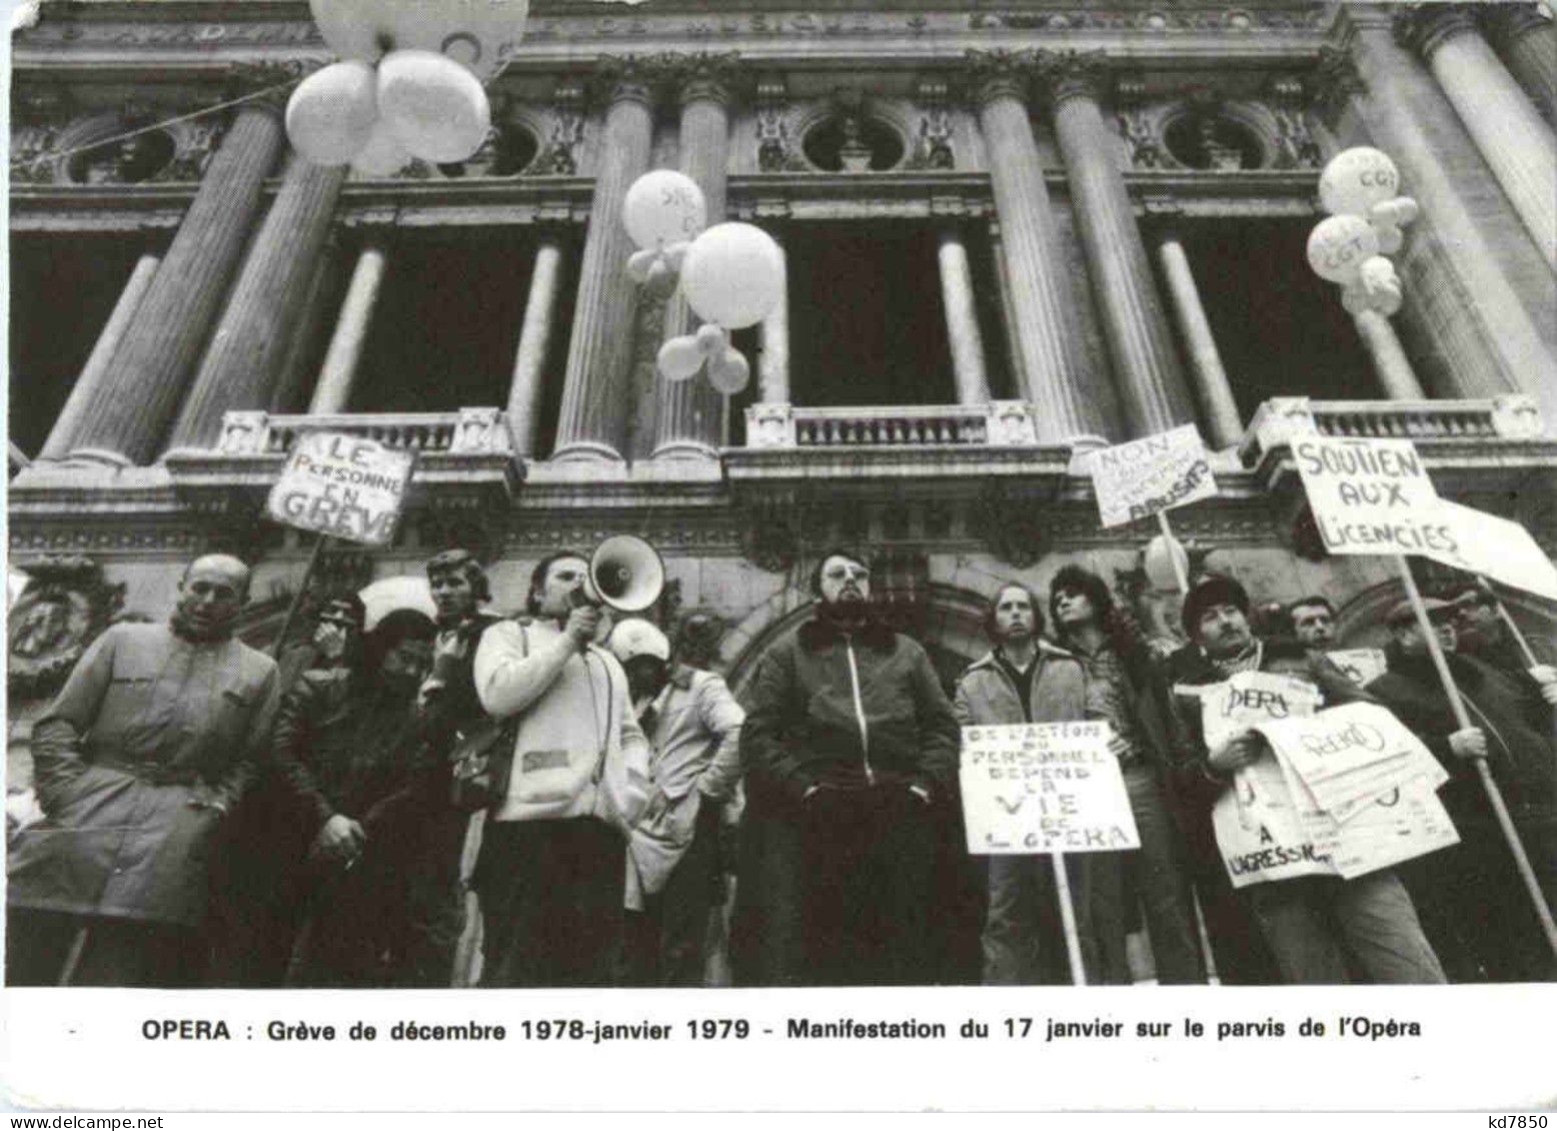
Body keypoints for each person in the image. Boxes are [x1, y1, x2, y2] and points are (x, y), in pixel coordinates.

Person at [6, 554, 280, 987]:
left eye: (223, 594)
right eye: (199, 588)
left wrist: (216, 809)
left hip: (171, 834)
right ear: (182, 587)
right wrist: (67, 792)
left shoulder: (260, 671)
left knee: (119, 971)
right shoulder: (123, 640)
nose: (207, 601)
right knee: (28, 950)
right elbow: (58, 723)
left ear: (242, 603)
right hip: (83, 815)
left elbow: (252, 760)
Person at [1165, 574, 1444, 985]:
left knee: (1399, 951)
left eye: (1231, 610)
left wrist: (1320, 731)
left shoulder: (1303, 659)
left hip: (1344, 830)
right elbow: (1182, 771)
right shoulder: (1186, 692)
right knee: (1312, 974)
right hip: (1272, 851)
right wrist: (1215, 765)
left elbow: (1369, 714)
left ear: (1247, 617)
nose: (1225, 621)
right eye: (1209, 617)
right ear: (1196, 637)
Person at [735, 549, 960, 986]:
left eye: (859, 574)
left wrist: (924, 785)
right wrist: (805, 790)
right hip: (823, 814)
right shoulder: (787, 652)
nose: (850, 581)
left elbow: (943, 726)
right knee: (829, 944)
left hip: (898, 807)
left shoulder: (907, 652)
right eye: (837, 574)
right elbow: (760, 734)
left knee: (902, 940)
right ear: (819, 588)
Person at [471, 550, 651, 987]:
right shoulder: (509, 634)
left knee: (591, 972)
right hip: (527, 829)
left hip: (599, 833)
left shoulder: (608, 662)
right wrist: (567, 640)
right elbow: (498, 695)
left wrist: (631, 794)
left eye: (583, 575)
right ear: (537, 591)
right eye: (564, 575)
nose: (577, 582)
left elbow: (630, 734)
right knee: (519, 968)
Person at [1365, 596, 1557, 982]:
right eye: (1431, 621)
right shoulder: (1386, 692)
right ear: (1404, 634)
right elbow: (1388, 762)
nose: (1447, 626)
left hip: (1542, 818)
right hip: (1483, 834)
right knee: (1518, 939)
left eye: (1449, 619)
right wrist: (1445, 749)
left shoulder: (1483, 672)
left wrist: (1549, 700)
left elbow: (1532, 725)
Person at [1048, 566, 1205, 984]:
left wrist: (1180, 767)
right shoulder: (1055, 664)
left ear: (1097, 600)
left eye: (1073, 593)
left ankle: (1186, 991)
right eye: (1057, 597)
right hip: (1086, 790)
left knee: (1165, 891)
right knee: (1104, 902)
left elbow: (1169, 720)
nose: (1062, 600)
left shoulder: (1138, 655)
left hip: (1139, 777)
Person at [272, 609, 442, 987]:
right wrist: (325, 817)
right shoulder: (319, 687)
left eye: (423, 664)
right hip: (290, 838)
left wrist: (355, 830)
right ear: (381, 650)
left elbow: (412, 787)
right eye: (406, 658)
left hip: (357, 856)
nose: (414, 672)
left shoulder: (416, 720)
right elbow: (281, 754)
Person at [951, 581, 1095, 984]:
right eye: (1005, 608)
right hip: (1006, 812)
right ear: (993, 620)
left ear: (1036, 616)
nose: (1015, 614)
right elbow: (959, 739)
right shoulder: (971, 682)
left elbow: (1097, 715)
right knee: (1006, 909)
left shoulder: (1069, 667)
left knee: (1075, 909)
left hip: (1068, 807)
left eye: (1023, 607)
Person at [609, 618, 744, 987]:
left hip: (689, 830)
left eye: (647, 667)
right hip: (636, 835)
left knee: (682, 947)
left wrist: (706, 790)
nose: (641, 676)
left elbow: (739, 731)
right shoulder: (628, 704)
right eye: (631, 670)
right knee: (633, 945)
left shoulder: (702, 687)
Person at [1449, 585, 1557, 703]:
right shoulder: (1474, 652)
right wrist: (1527, 677)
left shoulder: (1530, 642)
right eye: (1457, 608)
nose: (1461, 612)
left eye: (1469, 605)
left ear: (1494, 610)